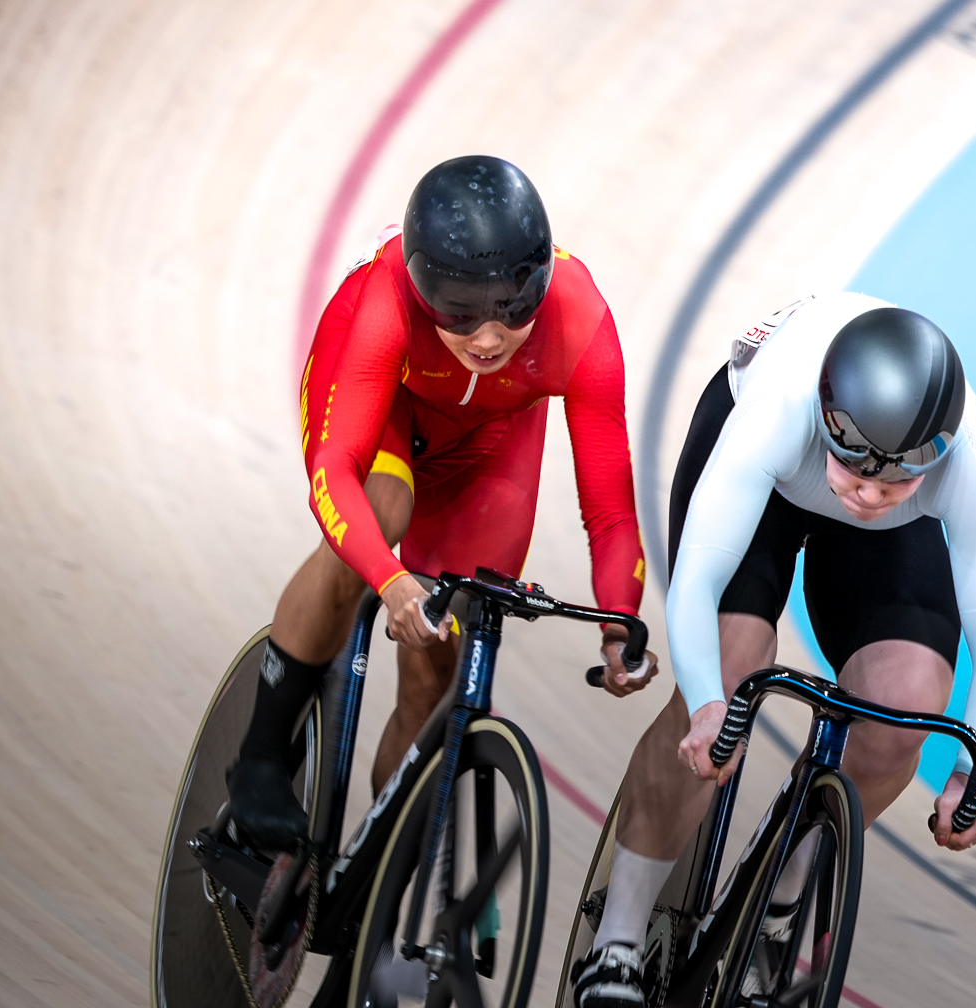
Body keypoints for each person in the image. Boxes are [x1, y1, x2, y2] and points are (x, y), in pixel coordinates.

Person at [571, 294, 976, 1008]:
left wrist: (969, 775)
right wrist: (709, 701)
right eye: (858, 472)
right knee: (729, 662)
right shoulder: (779, 404)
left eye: (897, 482)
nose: (870, 497)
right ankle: (617, 938)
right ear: (827, 415)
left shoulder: (967, 454)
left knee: (905, 707)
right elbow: (696, 586)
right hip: (773, 476)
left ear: (936, 454)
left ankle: (777, 905)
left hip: (873, 527)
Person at [228, 156, 655, 850]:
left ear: (541, 280)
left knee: (449, 637)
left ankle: (385, 865)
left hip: (489, 443)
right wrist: (389, 578)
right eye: (459, 309)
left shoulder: (581, 321)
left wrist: (619, 624)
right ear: (423, 284)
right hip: (388, 409)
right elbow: (336, 470)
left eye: (513, 306)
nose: (487, 337)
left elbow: (610, 513)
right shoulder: (387, 295)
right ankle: (262, 754)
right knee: (380, 512)